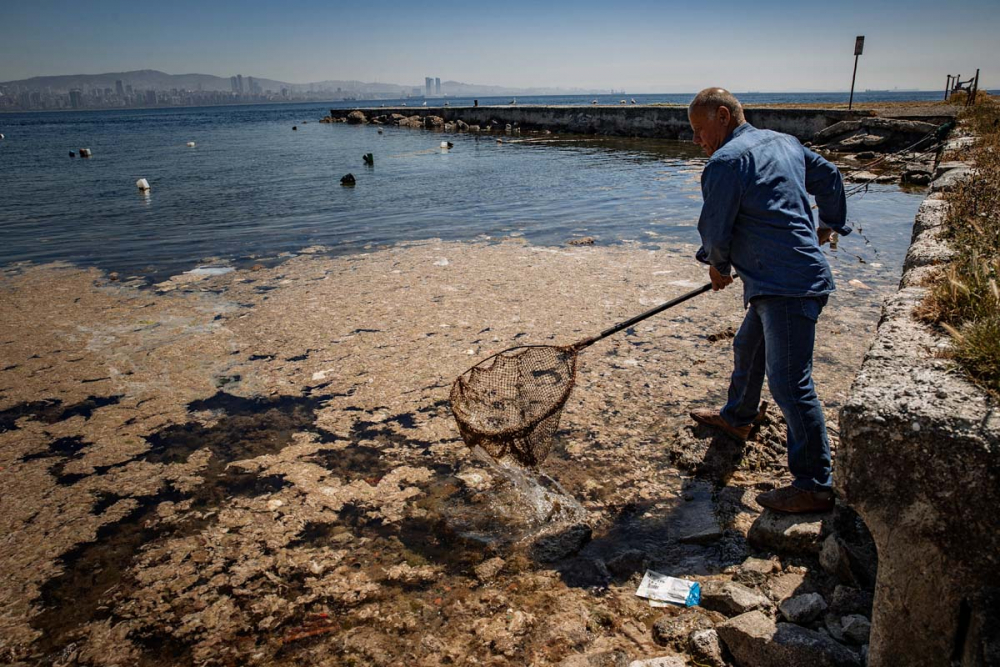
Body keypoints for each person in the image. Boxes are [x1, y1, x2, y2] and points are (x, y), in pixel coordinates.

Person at [686, 88, 849, 514]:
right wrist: (828, 225)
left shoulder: (724, 163)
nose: (699, 141)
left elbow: (716, 231)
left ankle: (814, 484)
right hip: (779, 281)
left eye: (700, 131)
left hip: (788, 287)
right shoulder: (785, 142)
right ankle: (738, 418)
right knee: (748, 346)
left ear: (723, 116)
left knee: (790, 384)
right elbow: (830, 178)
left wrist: (717, 266)